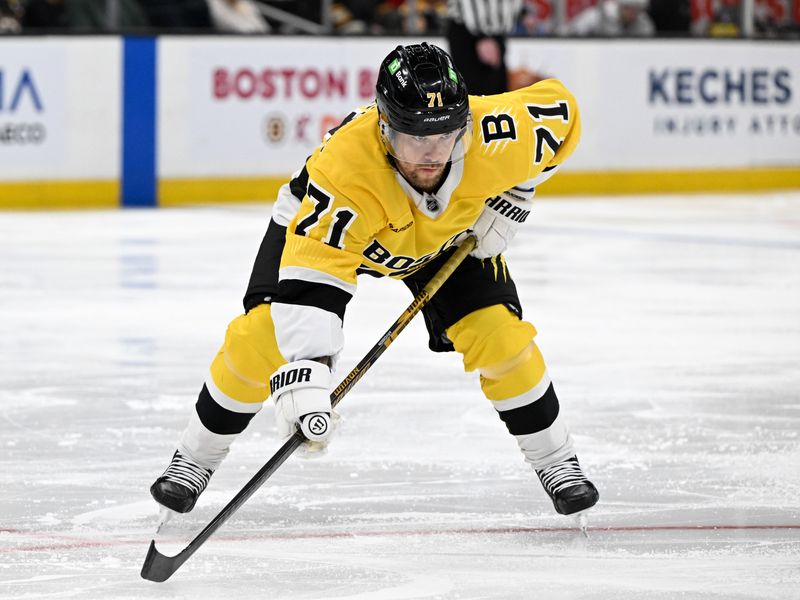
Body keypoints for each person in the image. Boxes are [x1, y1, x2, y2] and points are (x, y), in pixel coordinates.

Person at [150, 42, 599, 520]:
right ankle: (194, 460)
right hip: (333, 233)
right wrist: (306, 377)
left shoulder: (497, 133)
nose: (430, 156)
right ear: (385, 128)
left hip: (445, 236)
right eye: (412, 138)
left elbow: (562, 114)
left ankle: (557, 462)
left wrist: (516, 188)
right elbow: (313, 287)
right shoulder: (346, 170)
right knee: (261, 335)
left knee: (501, 338)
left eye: (444, 136)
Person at [445, 0, 524, 95]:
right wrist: (483, 36)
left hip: (491, 31)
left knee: (496, 92)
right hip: (475, 31)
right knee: (479, 92)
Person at [560, 0, 655, 37]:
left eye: (637, 10)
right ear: (621, 7)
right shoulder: (599, 15)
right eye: (629, 9)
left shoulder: (643, 23)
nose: (633, 14)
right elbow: (569, 31)